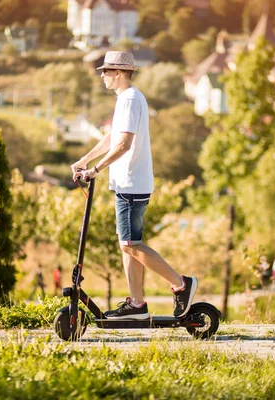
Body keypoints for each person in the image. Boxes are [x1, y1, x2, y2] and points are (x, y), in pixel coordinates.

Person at [71, 51, 197, 320]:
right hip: (128, 183)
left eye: (105, 71)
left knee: (130, 244)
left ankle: (181, 284)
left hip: (131, 184)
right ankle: (137, 304)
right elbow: (112, 137)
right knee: (127, 243)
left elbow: (124, 144)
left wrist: (95, 170)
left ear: (118, 73)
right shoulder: (127, 99)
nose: (102, 76)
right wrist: (85, 159)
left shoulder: (129, 99)